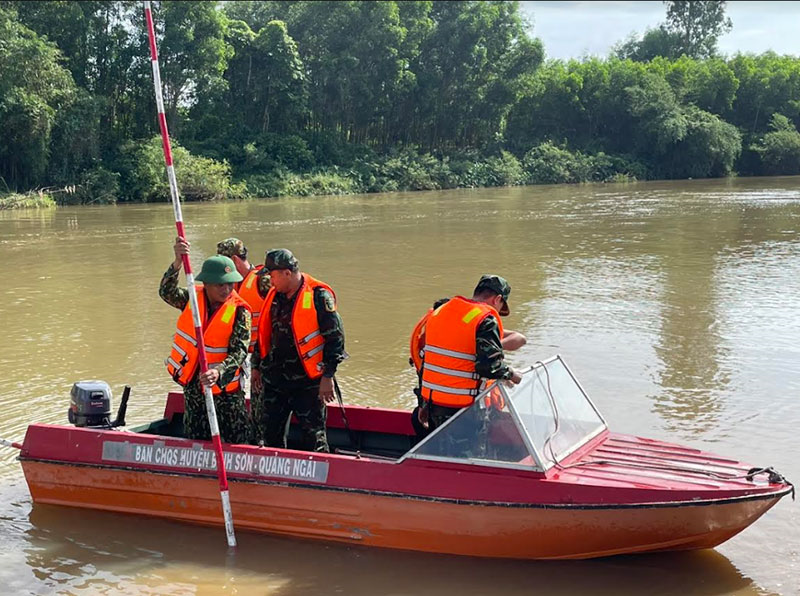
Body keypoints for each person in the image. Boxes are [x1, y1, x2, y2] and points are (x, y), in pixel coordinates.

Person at [251, 249, 347, 452]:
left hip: (308, 384)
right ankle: (274, 479)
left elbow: (335, 339)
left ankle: (316, 480)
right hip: (275, 380)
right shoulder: (274, 296)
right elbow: (264, 334)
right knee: (270, 435)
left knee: (314, 438)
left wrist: (328, 376)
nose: (270, 280)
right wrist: (256, 366)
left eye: (273, 275)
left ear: (287, 273)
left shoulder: (318, 297)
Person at [161, 237, 251, 443]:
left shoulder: (240, 311)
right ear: (207, 284)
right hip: (194, 385)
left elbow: (239, 351)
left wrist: (218, 372)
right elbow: (166, 292)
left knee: (235, 438)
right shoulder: (192, 298)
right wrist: (177, 262)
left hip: (225, 389)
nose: (226, 290)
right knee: (196, 438)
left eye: (230, 284)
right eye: (220, 285)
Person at [411, 275, 523, 439]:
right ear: (497, 299)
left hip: (433, 405)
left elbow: (428, 362)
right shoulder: (485, 319)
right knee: (467, 459)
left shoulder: (441, 312)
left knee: (440, 454)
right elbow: (489, 366)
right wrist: (512, 374)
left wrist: (423, 403)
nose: (498, 312)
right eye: (501, 306)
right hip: (464, 411)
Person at [216, 238, 270, 442]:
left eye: (225, 263)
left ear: (235, 260)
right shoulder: (233, 285)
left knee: (263, 410)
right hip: (250, 357)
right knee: (256, 408)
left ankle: (263, 450)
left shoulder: (262, 280)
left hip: (268, 357)